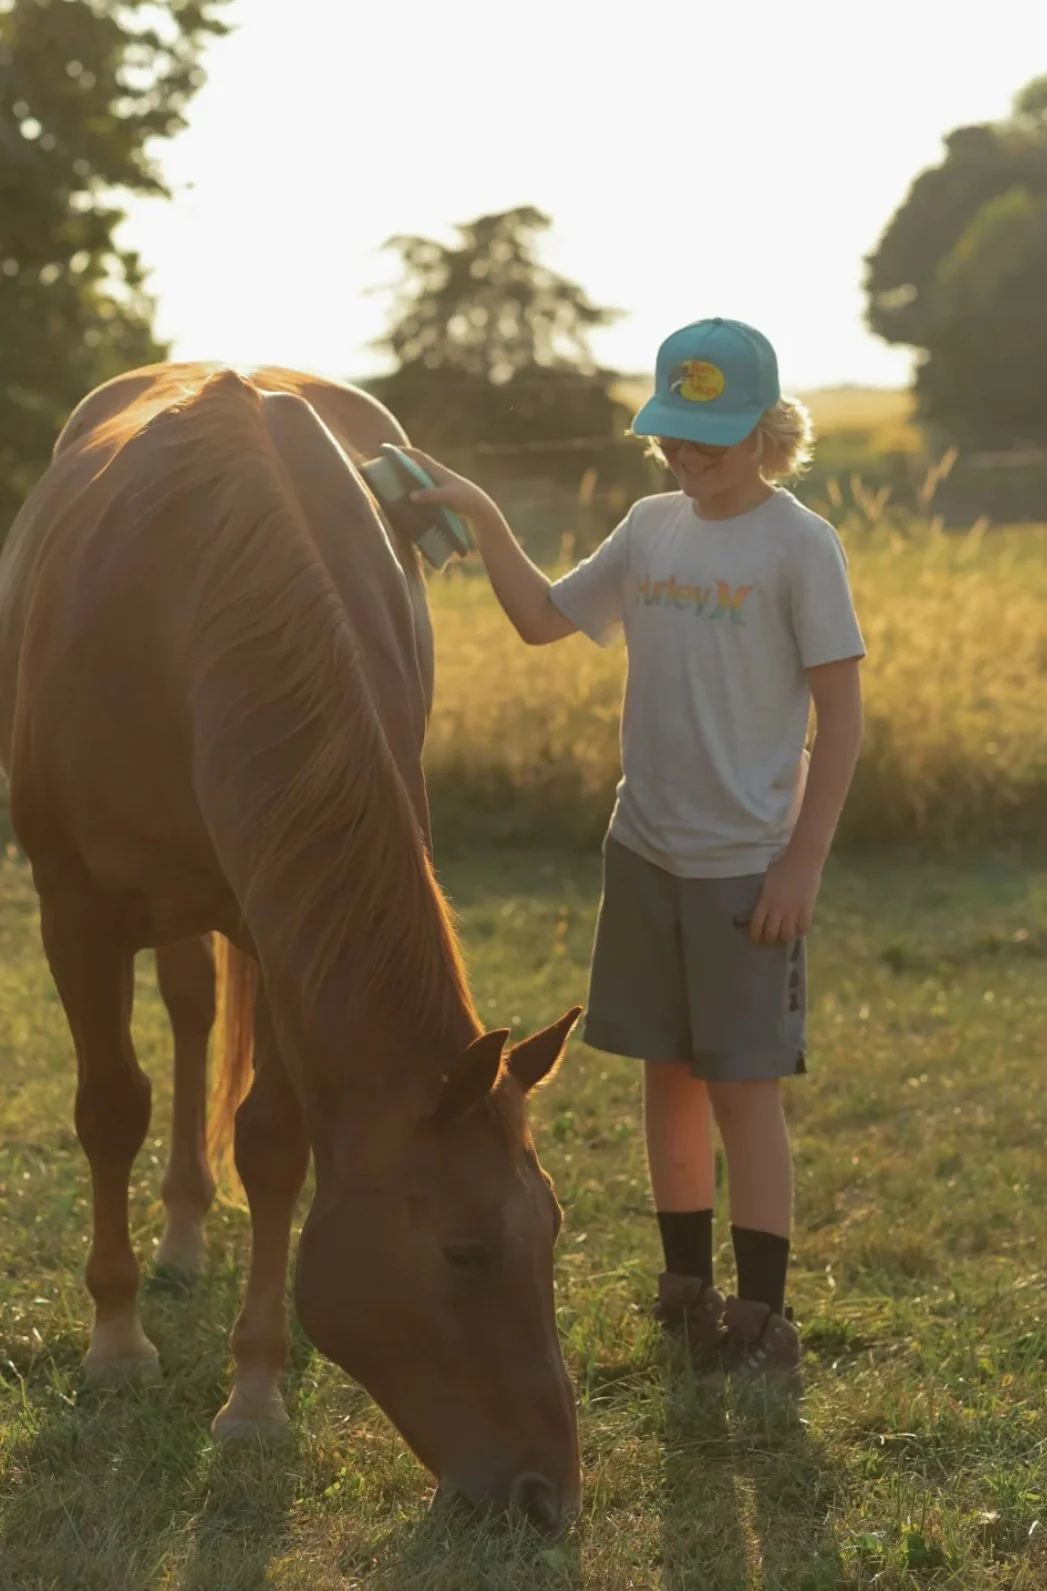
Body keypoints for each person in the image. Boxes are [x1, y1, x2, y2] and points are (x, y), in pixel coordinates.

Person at [407, 317, 866, 1390]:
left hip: (748, 865)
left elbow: (841, 721)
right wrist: (479, 512)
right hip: (646, 852)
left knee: (743, 1089)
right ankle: (683, 1288)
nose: (684, 456)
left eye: (707, 437)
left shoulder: (800, 545)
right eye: (671, 434)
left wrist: (801, 865)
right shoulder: (652, 526)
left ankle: (760, 1315)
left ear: (763, 427)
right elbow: (536, 618)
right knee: (666, 1076)